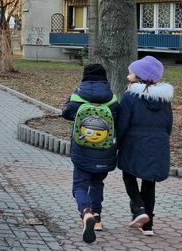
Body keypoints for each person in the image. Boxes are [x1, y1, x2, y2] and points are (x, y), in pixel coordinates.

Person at [116, 55, 174, 237]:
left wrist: (117, 142)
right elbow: (168, 124)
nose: (128, 75)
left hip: (134, 143)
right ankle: (148, 226)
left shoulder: (130, 96)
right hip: (158, 144)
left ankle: (139, 209)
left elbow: (123, 123)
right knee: (149, 182)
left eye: (132, 72)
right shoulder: (164, 99)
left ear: (140, 75)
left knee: (128, 174)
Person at [62, 63, 119, 244]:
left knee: (79, 186)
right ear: (104, 78)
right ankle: (97, 217)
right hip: (105, 151)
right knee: (97, 183)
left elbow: (65, 113)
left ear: (85, 77)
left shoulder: (77, 96)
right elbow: (120, 122)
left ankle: (86, 213)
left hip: (82, 151)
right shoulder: (113, 99)